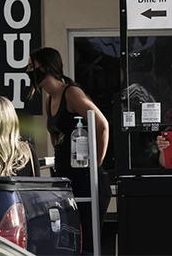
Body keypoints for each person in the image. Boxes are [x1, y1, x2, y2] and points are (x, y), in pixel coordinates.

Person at [27, 47, 111, 255]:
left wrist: (96, 163)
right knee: (69, 240)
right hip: (66, 179)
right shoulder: (49, 100)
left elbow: (102, 125)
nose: (28, 70)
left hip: (86, 178)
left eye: (31, 66)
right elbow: (55, 135)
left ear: (45, 67)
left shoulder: (71, 93)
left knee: (89, 244)